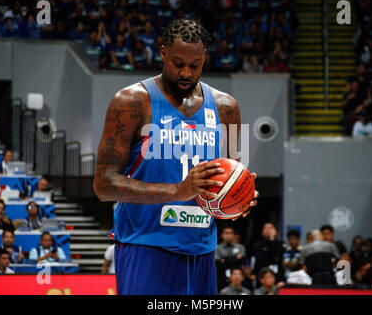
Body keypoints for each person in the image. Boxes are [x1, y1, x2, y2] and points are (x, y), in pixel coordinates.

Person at [93, 19, 259, 295]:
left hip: (201, 248)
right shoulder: (131, 102)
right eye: (178, 63)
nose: (185, 72)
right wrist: (178, 191)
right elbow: (103, 185)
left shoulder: (227, 108)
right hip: (143, 245)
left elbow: (229, 176)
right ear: (162, 54)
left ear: (204, 58)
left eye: (194, 66)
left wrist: (239, 199)